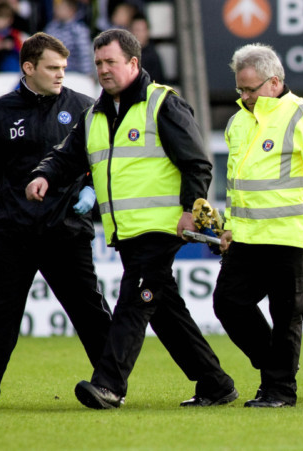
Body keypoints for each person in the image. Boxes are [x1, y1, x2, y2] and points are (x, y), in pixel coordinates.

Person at [25, 28, 237, 410]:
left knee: (134, 302)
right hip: (127, 232)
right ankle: (216, 383)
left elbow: (197, 164)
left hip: (162, 227)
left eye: (111, 62)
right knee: (165, 313)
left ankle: (109, 384)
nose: (104, 69)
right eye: (99, 63)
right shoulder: (95, 115)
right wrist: (43, 174)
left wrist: (191, 210)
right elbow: (67, 156)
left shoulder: (163, 104)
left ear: (134, 63)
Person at [0, 32, 113, 409]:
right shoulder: (0, 110)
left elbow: (99, 166)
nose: (60, 75)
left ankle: (110, 384)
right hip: (12, 230)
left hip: (66, 230)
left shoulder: (84, 107)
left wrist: (92, 194)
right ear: (28, 68)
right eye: (52, 68)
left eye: (64, 68)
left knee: (90, 312)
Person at [213, 43, 303, 408]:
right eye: (240, 89)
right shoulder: (238, 119)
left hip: (290, 234)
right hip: (247, 237)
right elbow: (237, 185)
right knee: (228, 303)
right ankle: (275, 370)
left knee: (285, 314)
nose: (244, 96)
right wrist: (229, 226)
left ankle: (280, 390)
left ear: (274, 82)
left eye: (250, 89)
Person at [44, 0, 94, 76]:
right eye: (57, 7)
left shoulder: (79, 29)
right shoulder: (50, 28)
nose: (58, 10)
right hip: (53, 73)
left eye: (62, 7)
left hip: (75, 74)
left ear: (72, 10)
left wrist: (88, 75)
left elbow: (84, 56)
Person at [129, 13, 165, 84]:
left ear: (147, 32)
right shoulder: (124, 53)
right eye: (136, 30)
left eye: (142, 30)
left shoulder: (153, 57)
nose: (139, 34)